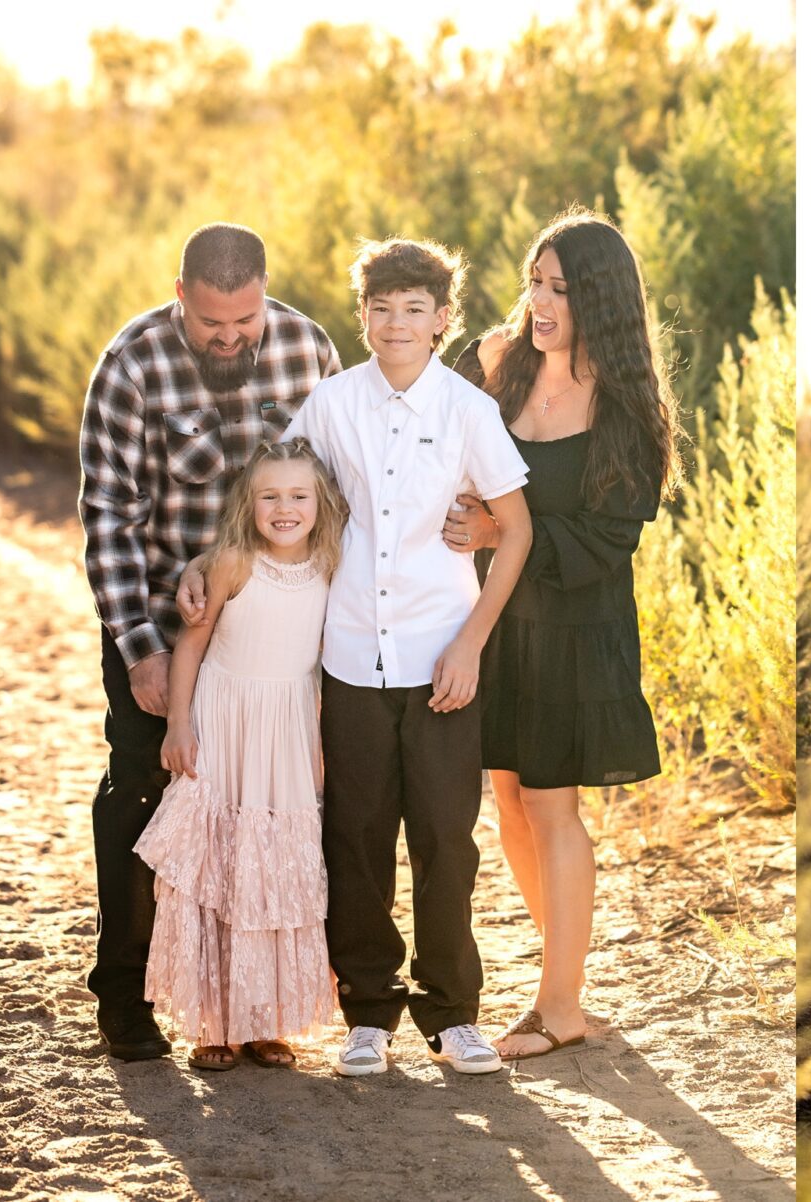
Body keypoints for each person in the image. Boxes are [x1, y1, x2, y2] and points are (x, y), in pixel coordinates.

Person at [190, 237, 535, 1075]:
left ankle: (454, 1014)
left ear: (442, 319)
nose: (396, 323)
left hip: (440, 660)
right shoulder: (332, 405)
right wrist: (214, 562)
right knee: (355, 837)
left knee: (447, 843)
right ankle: (369, 1014)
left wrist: (471, 646)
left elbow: (515, 531)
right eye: (381, 309)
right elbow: (283, 494)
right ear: (364, 317)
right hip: (347, 661)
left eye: (414, 309)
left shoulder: (467, 411)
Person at [79, 223, 340, 1061]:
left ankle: (257, 1004)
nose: (231, 340)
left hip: (283, 636)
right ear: (180, 293)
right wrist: (141, 648)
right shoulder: (131, 363)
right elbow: (110, 520)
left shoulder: (307, 348)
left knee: (263, 818)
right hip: (165, 624)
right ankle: (124, 995)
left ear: (265, 293)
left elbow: (344, 482)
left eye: (245, 322)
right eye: (212, 325)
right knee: (144, 795)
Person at [441, 207, 682, 1060]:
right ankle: (566, 974)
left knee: (549, 802)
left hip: (576, 626)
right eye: (533, 283)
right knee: (506, 798)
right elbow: (444, 450)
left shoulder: (627, 407)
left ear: (602, 302)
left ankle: (559, 1008)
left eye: (560, 289)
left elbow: (610, 538)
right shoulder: (495, 363)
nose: (539, 303)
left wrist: (500, 532)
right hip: (496, 615)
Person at [135, 440, 347, 1071]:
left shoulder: (332, 562)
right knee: (219, 870)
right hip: (225, 723)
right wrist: (178, 725)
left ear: (322, 502)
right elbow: (192, 647)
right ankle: (213, 1025)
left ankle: (268, 1021)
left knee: (276, 868)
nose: (285, 508)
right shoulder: (233, 562)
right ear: (248, 504)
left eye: (299, 496)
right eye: (269, 496)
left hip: (286, 728)